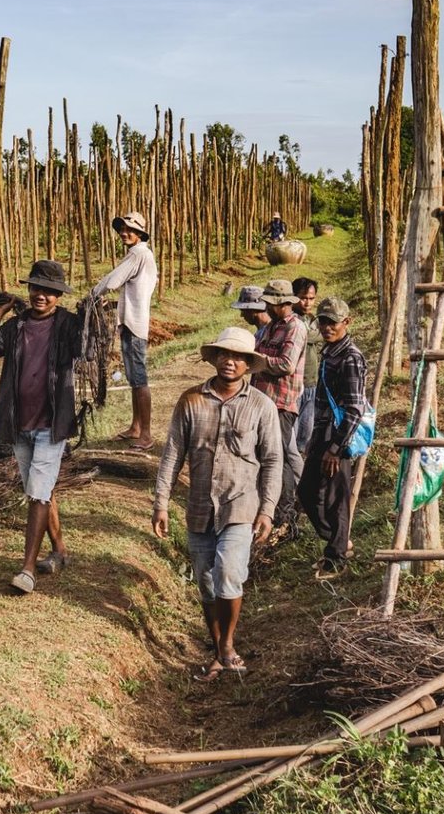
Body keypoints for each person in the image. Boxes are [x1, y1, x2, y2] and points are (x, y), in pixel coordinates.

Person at [153, 327, 281, 679]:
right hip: (199, 506)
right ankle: (217, 646)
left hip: (241, 504)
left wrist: (267, 509)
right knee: (206, 582)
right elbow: (172, 454)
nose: (230, 362)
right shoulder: (191, 400)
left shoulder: (261, 406)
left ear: (248, 365)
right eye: (225, 354)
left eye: (239, 357)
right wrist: (161, 502)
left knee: (228, 574)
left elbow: (272, 460)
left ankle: (227, 645)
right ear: (215, 358)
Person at [0, 258, 84, 594]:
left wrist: (92, 319)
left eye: (50, 292)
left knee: (37, 493)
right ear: (29, 289)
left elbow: (88, 352)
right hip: (18, 423)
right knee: (41, 489)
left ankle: (27, 569)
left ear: (58, 296)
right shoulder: (15, 327)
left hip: (51, 424)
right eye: (37, 288)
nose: (42, 296)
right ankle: (60, 551)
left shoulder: (69, 325)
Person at [298, 297, 367, 577]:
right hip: (323, 432)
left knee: (337, 497)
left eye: (332, 323)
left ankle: (337, 556)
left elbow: (354, 408)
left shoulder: (350, 357)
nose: (326, 327)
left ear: (346, 323)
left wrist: (336, 448)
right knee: (307, 491)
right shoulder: (330, 351)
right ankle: (339, 542)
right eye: (323, 322)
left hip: (338, 437)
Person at [87, 210, 158, 450]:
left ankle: (146, 435)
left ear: (140, 233)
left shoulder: (137, 254)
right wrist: (115, 303)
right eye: (122, 229)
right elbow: (135, 290)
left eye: (130, 230)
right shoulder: (143, 255)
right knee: (134, 378)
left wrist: (94, 294)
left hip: (134, 324)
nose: (124, 233)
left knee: (139, 379)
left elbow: (114, 280)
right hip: (133, 320)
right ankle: (136, 427)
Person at [251, 279, 306, 524]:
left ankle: (285, 513)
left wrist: (257, 360)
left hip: (281, 403)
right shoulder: (270, 327)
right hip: (261, 399)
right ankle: (265, 504)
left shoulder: (295, 328)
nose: (267, 308)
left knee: (280, 457)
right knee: (264, 454)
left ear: (283, 303)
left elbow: (286, 364)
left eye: (271, 303)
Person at [292, 277, 321, 455]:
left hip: (311, 382)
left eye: (311, 298)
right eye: (303, 297)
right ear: (294, 297)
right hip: (295, 385)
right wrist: (321, 334)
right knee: (291, 434)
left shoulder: (311, 319)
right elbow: (308, 337)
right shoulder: (293, 321)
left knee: (306, 431)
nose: (307, 302)